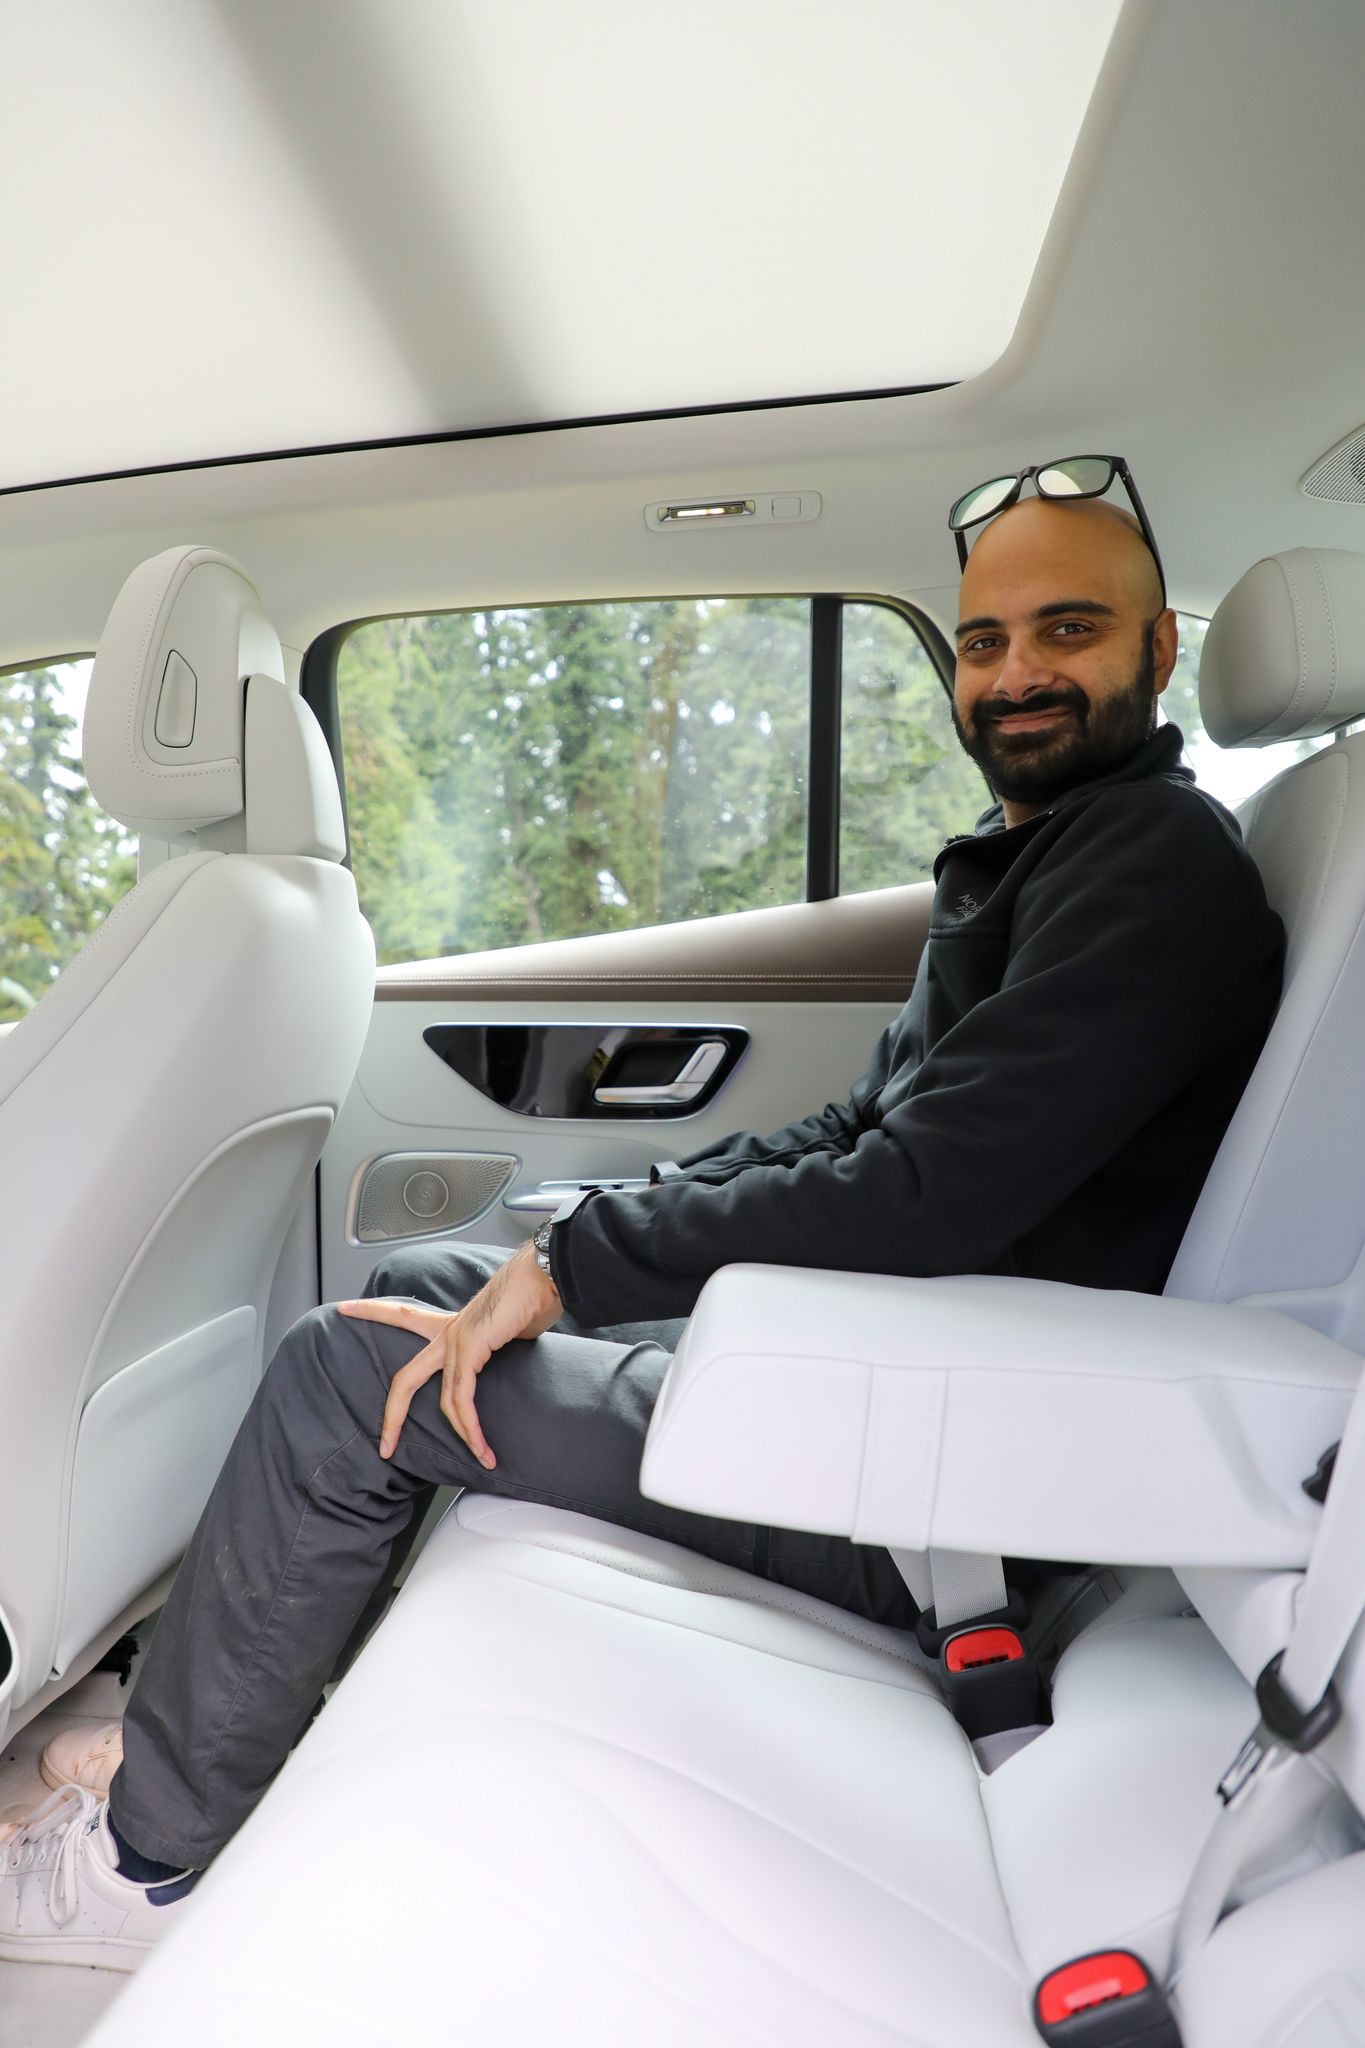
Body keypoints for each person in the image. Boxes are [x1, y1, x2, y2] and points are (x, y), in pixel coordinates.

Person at [0, 471, 1285, 1968]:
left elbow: (926, 1194)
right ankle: (226, 1717)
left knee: (352, 1371)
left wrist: (580, 1263)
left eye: (1067, 630)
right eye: (984, 640)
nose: (1014, 675)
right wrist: (587, 1234)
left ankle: (145, 1862)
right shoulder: (1061, 861)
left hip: (941, 1485)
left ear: (1157, 651)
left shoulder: (1153, 871)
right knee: (429, 1281)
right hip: (899, 1383)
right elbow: (863, 1133)